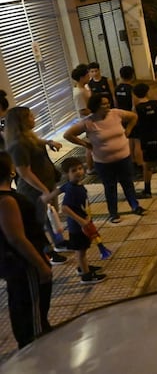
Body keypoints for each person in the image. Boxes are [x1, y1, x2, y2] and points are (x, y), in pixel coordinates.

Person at [63, 94, 147, 224]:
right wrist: (84, 144)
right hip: (104, 162)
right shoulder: (88, 122)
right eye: (104, 104)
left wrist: (128, 130)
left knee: (127, 183)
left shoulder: (116, 113)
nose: (107, 106)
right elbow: (68, 134)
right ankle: (113, 213)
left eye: (108, 103)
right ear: (96, 106)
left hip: (123, 157)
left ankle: (135, 206)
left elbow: (133, 116)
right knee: (110, 187)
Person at [0, 151, 52, 349]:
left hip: (16, 264)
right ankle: (36, 352)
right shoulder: (7, 201)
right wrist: (41, 265)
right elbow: (16, 238)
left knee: (25, 308)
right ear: (11, 171)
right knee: (33, 317)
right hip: (25, 264)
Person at [4, 107, 68, 263]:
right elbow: (24, 172)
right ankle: (47, 251)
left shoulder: (28, 137)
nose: (34, 118)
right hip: (34, 190)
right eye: (30, 117)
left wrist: (49, 142)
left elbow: (37, 142)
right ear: (21, 121)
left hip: (46, 183)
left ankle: (58, 242)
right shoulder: (18, 145)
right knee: (38, 221)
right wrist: (43, 190)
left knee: (50, 216)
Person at [58, 157, 107, 284]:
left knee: (83, 249)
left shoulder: (71, 185)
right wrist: (81, 221)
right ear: (66, 174)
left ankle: (82, 267)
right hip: (78, 227)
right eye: (74, 170)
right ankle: (86, 276)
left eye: (80, 168)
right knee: (80, 252)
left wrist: (48, 196)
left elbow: (60, 189)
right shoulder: (72, 189)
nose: (79, 172)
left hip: (81, 225)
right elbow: (64, 208)